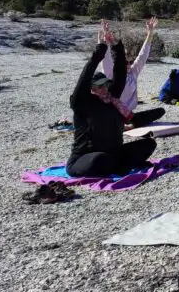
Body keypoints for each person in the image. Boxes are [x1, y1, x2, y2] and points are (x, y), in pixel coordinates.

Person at [66, 23, 157, 177]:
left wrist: (116, 46)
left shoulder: (113, 99)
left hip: (115, 152)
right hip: (84, 157)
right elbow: (86, 74)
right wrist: (100, 49)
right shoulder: (82, 103)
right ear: (91, 88)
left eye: (106, 85)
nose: (104, 89)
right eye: (99, 86)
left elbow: (120, 71)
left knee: (149, 144)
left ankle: (120, 164)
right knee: (100, 159)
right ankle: (122, 165)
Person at [100, 17, 165, 128]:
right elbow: (105, 59)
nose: (129, 64)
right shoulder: (111, 74)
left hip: (127, 115)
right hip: (111, 113)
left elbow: (142, 55)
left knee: (160, 111)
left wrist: (150, 33)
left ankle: (126, 124)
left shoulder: (133, 73)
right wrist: (103, 42)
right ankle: (124, 125)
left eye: (130, 62)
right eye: (126, 63)